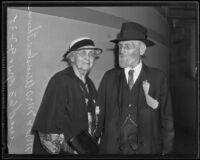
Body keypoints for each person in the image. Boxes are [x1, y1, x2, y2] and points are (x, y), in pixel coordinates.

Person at [96, 22, 174, 154]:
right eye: (120, 46)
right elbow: (99, 116)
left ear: (142, 50)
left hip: (147, 150)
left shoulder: (158, 78)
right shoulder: (109, 77)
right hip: (113, 150)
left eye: (127, 46)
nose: (121, 51)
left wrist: (166, 151)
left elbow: (167, 119)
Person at [31, 37, 103, 154]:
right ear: (72, 57)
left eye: (91, 54)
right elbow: (47, 132)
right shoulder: (60, 81)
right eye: (83, 53)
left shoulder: (90, 85)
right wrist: (74, 151)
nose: (88, 58)